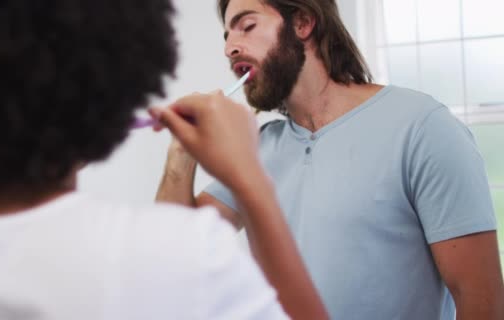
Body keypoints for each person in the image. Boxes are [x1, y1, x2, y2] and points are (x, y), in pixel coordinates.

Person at [0, 0, 329, 319]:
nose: (231, 47)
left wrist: (181, 155)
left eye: (246, 26)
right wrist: (250, 177)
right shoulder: (177, 254)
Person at [155, 0, 504, 319]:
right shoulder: (257, 150)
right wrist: (181, 151)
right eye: (227, 35)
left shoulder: (423, 127)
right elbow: (176, 254)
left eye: (246, 26)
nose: (230, 47)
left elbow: (482, 301)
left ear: (303, 22)